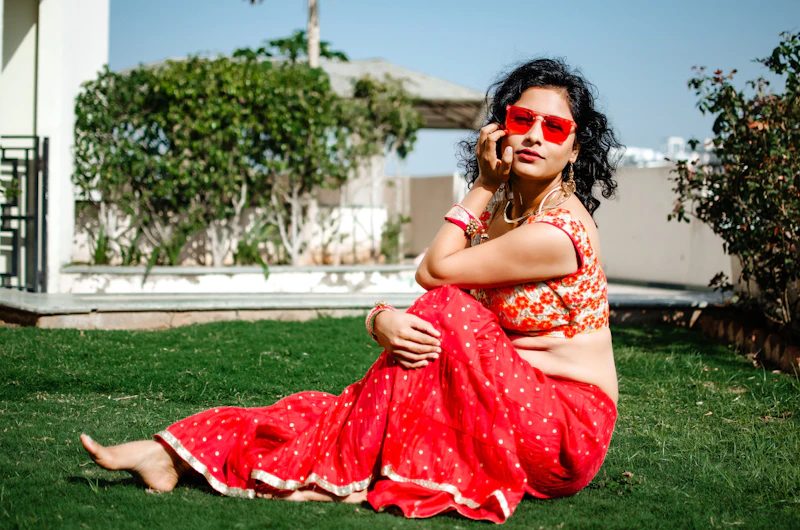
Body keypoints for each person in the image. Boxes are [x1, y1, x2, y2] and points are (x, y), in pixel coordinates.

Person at [80, 57, 622, 524]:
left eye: (553, 128)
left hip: (562, 432)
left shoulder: (557, 233)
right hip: (499, 395)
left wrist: (481, 184)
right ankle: (167, 453)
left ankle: (328, 471)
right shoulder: (507, 212)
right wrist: (380, 320)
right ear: (501, 127)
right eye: (521, 119)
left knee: (437, 317)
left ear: (575, 149)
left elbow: (435, 274)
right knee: (331, 410)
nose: (532, 135)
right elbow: (439, 278)